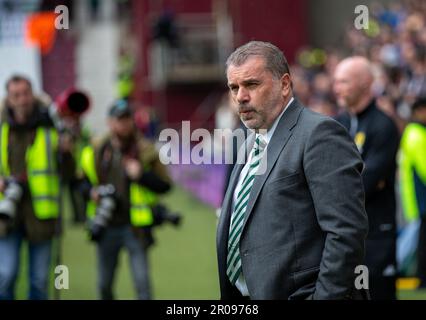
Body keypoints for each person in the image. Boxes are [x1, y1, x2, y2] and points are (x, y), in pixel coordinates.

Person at [216, 41, 368, 300]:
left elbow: (345, 232)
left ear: (284, 84)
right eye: (234, 87)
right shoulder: (249, 141)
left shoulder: (319, 134)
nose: (240, 96)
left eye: (252, 84)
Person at [79, 99, 172, 300]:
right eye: (120, 119)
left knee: (143, 287)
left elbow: (165, 185)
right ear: (110, 122)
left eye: (128, 118)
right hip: (105, 225)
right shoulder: (96, 149)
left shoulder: (145, 149)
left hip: (135, 229)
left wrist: (141, 175)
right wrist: (91, 193)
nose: (124, 123)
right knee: (104, 286)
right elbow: (81, 183)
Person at [0, 75, 75, 300]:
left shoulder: (51, 127)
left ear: (32, 94)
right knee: (5, 275)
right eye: (16, 95)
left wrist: (67, 153)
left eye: (25, 93)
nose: (22, 100)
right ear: (9, 99)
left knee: (40, 281)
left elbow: (69, 174)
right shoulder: (1, 127)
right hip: (7, 216)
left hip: (41, 217)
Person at [334, 56, 400, 300]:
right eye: (336, 81)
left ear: (364, 83)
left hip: (377, 234)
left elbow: (365, 182)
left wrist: (336, 182)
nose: (336, 87)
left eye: (343, 82)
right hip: (344, 235)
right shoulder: (337, 124)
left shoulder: (383, 126)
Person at [399, 98, 426, 287]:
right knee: (420, 239)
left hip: (418, 198)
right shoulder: (416, 133)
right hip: (420, 198)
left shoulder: (415, 132)